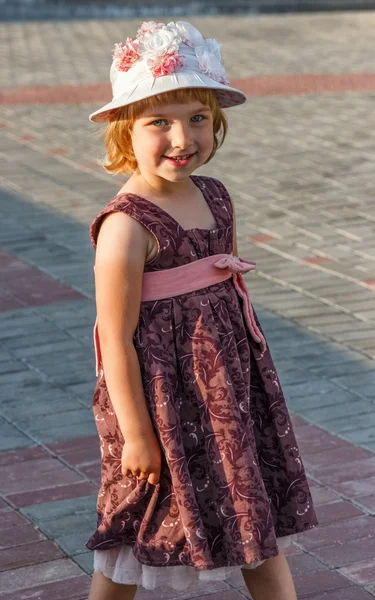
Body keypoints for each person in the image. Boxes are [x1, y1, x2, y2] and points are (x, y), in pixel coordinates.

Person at [86, 20, 318, 600]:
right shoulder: (127, 226)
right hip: (159, 398)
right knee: (141, 518)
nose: (182, 137)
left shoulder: (214, 196)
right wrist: (137, 432)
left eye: (197, 118)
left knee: (248, 502)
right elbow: (115, 338)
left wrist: (247, 380)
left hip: (227, 389)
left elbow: (224, 296)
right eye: (158, 122)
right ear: (124, 131)